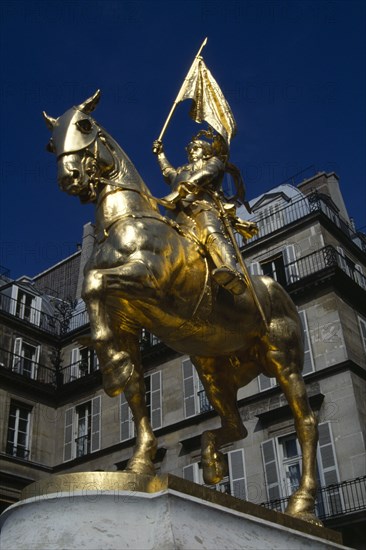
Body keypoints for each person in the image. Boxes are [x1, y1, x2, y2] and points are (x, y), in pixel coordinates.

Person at [153, 134, 257, 295]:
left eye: (196, 148)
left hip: (203, 208)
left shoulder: (214, 163)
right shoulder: (182, 170)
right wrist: (160, 155)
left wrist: (179, 192)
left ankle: (232, 270)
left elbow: (205, 175)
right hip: (177, 214)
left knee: (209, 231)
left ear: (206, 151)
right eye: (189, 149)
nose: (191, 152)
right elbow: (169, 174)